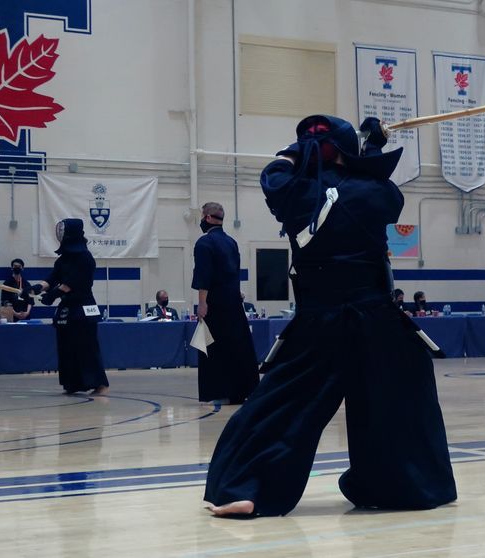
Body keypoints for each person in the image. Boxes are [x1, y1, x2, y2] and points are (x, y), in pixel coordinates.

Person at [203, 115, 456, 517]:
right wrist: (369, 148)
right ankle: (403, 486)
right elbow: (387, 192)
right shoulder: (375, 192)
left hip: (319, 320)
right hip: (376, 318)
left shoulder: (294, 191)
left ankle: (246, 486)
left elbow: (274, 174)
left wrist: (300, 150)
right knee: (398, 396)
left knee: (281, 403)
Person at [31, 219, 109, 395]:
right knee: (66, 346)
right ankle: (72, 383)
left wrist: (52, 295)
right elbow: (52, 278)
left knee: (86, 347)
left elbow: (71, 283)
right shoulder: (63, 260)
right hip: (67, 309)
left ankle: (99, 383)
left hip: (83, 307)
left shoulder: (85, 258)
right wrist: (37, 287)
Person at [191, 202, 259, 404]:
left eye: (203, 216)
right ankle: (243, 388)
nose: (202, 220)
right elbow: (235, 271)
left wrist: (202, 303)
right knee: (237, 345)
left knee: (213, 346)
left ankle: (217, 390)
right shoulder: (231, 242)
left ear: (209, 218)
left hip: (215, 302)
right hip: (233, 301)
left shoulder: (204, 244)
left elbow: (204, 275)